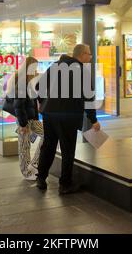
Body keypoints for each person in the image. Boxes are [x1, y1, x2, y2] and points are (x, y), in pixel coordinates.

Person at [36, 44, 101, 194]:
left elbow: (39, 86)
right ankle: (65, 184)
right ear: (82, 54)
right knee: (67, 149)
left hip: (49, 114)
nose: (90, 58)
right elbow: (89, 97)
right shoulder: (81, 71)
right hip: (68, 116)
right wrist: (93, 119)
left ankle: (41, 178)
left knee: (48, 146)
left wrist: (45, 103)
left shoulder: (55, 66)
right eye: (89, 54)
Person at [6, 56, 43, 180]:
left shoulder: (29, 81)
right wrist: (23, 125)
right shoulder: (22, 82)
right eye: (34, 67)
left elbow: (33, 103)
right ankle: (26, 172)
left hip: (32, 118)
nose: (36, 69)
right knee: (24, 146)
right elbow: (18, 105)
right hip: (24, 120)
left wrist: (37, 118)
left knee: (49, 135)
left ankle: (34, 164)